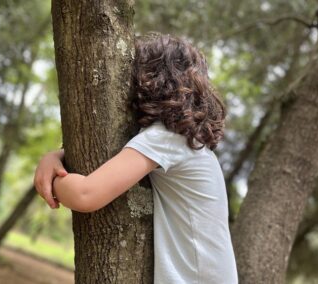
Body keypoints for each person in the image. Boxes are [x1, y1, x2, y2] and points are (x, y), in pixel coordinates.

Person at [33, 33, 239, 284]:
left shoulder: (165, 138)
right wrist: (56, 155)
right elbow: (123, 160)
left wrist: (51, 177)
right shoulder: (187, 143)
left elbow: (85, 195)